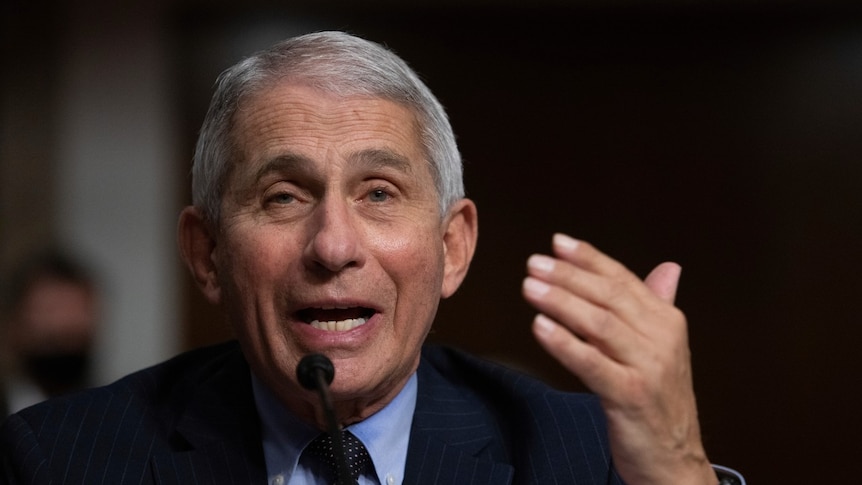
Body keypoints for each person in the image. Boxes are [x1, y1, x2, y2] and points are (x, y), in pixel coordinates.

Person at [0, 31, 743, 484]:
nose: (334, 245)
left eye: (379, 193)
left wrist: (677, 469)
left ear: (452, 248)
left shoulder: (590, 457)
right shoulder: (57, 461)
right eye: (285, 196)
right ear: (207, 252)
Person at [0, 250, 98, 418]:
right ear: (14, 325)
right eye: (49, 311)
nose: (63, 327)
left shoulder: (110, 414)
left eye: (76, 313)